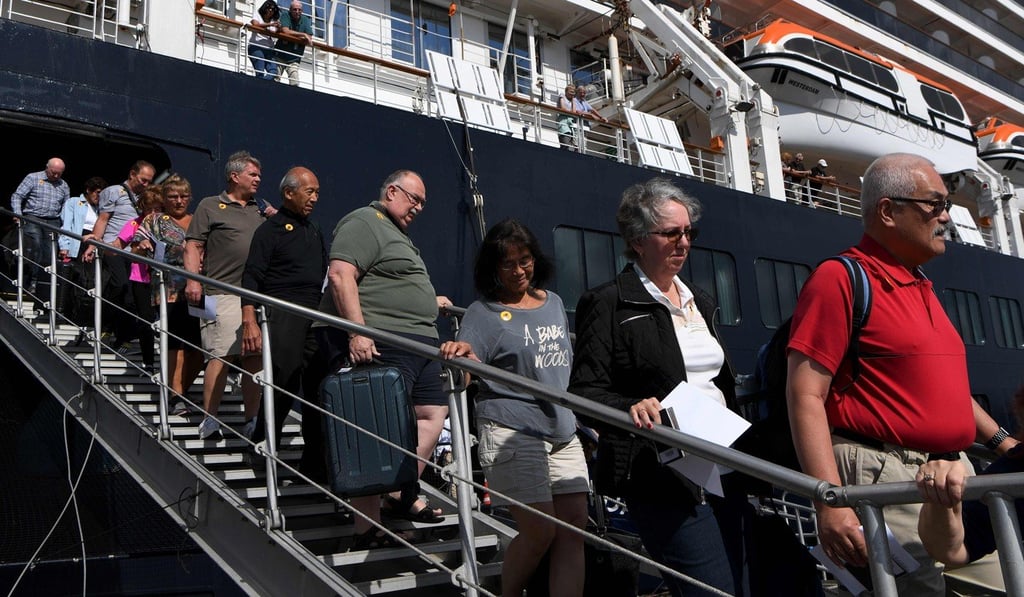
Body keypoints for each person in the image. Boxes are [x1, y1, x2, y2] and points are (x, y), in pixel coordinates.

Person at [786, 153, 1018, 595]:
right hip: (886, 475)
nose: (946, 216)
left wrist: (1003, 444)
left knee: (1009, 582)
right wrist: (830, 501)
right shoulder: (841, 278)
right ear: (889, 211)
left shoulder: (921, 285)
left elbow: (946, 393)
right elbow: (805, 394)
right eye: (935, 204)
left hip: (954, 475)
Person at [568, 178, 739, 596]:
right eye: (671, 233)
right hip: (661, 469)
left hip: (724, 463)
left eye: (689, 233)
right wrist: (630, 406)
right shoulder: (608, 302)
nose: (684, 243)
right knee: (709, 588)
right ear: (639, 240)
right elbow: (584, 392)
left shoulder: (701, 299)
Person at [440, 219, 589, 597]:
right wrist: (461, 357)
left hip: (563, 430)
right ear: (493, 267)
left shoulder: (552, 302)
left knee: (574, 528)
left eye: (525, 260)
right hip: (512, 429)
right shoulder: (482, 313)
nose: (520, 270)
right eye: (509, 264)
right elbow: (469, 366)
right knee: (540, 529)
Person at [317, 169, 452, 547]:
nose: (420, 208)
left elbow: (393, 279)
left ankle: (398, 489)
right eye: (415, 199)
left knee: (432, 416)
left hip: (422, 343)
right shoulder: (365, 221)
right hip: (386, 340)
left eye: (423, 202)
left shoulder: (399, 235)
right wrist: (358, 333)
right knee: (372, 429)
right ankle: (366, 526)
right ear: (392, 191)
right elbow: (342, 274)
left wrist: (429, 300)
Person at [241, 166, 326, 474]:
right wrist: (249, 317)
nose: (315, 198)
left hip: (314, 315)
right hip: (283, 312)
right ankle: (263, 445)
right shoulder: (270, 230)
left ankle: (315, 460)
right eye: (309, 191)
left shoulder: (314, 230)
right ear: (289, 193)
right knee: (283, 380)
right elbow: (251, 275)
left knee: (318, 387)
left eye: (317, 192)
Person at [184, 151, 266, 441]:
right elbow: (193, 245)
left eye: (258, 175)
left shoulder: (261, 208)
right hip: (218, 292)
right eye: (252, 174)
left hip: (254, 296)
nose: (258, 179)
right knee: (220, 354)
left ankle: (252, 418)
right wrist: (193, 281)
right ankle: (210, 418)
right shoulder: (210, 205)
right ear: (234, 176)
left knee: (254, 356)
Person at [137, 175, 204, 413]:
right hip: (169, 289)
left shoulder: (198, 220)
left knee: (201, 344)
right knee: (176, 342)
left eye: (183, 196)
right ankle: (175, 394)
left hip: (202, 288)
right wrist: (143, 246)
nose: (179, 201)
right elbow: (138, 243)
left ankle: (181, 390)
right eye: (173, 196)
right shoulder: (154, 219)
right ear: (164, 198)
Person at [83, 160, 156, 352]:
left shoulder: (146, 197)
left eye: (149, 181)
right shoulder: (114, 191)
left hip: (134, 251)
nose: (145, 184)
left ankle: (120, 334)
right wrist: (94, 244)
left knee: (130, 296)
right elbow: (103, 219)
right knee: (120, 284)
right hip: (112, 246)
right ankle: (106, 323)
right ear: (132, 174)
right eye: (143, 180)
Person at [116, 187, 164, 372]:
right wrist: (95, 242)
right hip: (141, 278)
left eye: (158, 208)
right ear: (142, 207)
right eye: (149, 208)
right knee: (146, 320)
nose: (153, 213)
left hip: (166, 281)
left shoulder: (169, 225)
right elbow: (117, 246)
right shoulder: (134, 224)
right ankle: (149, 362)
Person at [10, 157, 71, 293]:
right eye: (53, 172)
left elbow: (66, 208)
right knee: (35, 245)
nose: (55, 176)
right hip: (33, 217)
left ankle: (42, 285)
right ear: (47, 168)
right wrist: (18, 214)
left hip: (53, 220)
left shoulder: (64, 185)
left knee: (50, 253)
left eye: (59, 173)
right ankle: (30, 281)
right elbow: (17, 196)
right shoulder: (33, 178)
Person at [275, 0, 313, 86]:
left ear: (302, 11)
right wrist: (303, 34)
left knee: (295, 81)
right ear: (290, 10)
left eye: (299, 10)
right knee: (275, 77)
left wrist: (304, 36)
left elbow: (309, 37)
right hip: (280, 54)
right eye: (295, 9)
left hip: (294, 57)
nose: (297, 12)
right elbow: (285, 31)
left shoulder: (305, 20)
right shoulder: (285, 15)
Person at [248, 0, 281, 80]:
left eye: (273, 9)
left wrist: (279, 28)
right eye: (268, 8)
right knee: (260, 71)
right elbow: (255, 24)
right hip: (256, 47)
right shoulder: (257, 15)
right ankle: (260, 84)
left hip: (269, 49)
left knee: (273, 71)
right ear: (264, 8)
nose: (270, 10)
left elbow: (277, 32)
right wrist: (270, 24)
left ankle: (259, 83)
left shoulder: (274, 21)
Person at [557, 85, 578, 150]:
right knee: (565, 142)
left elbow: (574, 112)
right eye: (571, 91)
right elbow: (563, 108)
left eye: (573, 92)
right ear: (566, 91)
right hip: (564, 122)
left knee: (576, 146)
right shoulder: (562, 95)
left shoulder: (573, 100)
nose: (572, 93)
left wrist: (573, 101)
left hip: (572, 123)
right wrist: (570, 112)